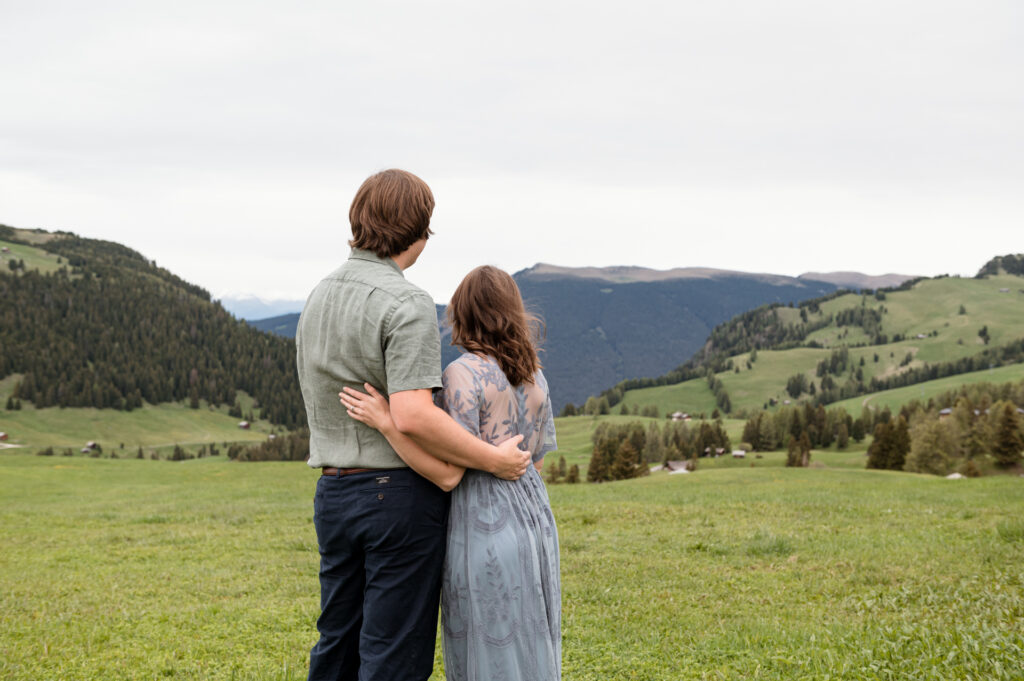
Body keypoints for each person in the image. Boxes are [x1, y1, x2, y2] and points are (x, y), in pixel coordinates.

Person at [295, 170, 531, 681]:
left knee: (337, 641)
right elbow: (413, 413)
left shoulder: (317, 295)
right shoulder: (406, 302)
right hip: (397, 497)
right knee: (392, 654)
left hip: (332, 495)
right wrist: (491, 459)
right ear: (420, 234)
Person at [340, 265, 561, 681]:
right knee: (532, 643)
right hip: (536, 521)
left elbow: (448, 472)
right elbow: (538, 462)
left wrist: (387, 422)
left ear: (463, 313)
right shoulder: (537, 378)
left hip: (483, 522)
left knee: (484, 648)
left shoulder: (461, 374)